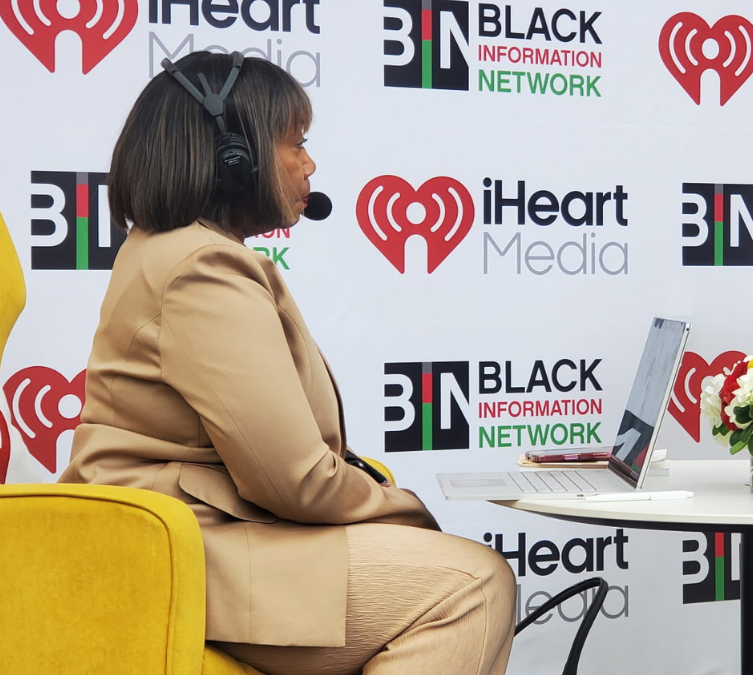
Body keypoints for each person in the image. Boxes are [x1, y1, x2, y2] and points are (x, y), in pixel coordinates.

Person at [58, 51, 516, 675]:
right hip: (178, 551)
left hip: (183, 536)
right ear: (234, 157)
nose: (310, 164)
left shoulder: (175, 251)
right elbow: (295, 480)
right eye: (295, 143)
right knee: (472, 584)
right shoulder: (200, 266)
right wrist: (404, 507)